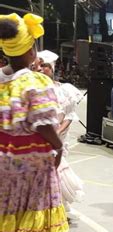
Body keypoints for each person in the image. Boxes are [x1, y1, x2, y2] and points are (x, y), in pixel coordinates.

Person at [0, 13, 82, 232]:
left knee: (10, 210)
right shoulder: (36, 83)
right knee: (37, 211)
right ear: (31, 50)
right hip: (35, 159)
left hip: (6, 159)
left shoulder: (1, 81)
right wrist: (58, 146)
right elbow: (45, 124)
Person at [41, 59, 84, 208]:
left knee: (57, 168)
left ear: (52, 68)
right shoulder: (34, 88)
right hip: (41, 138)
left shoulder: (64, 89)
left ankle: (57, 205)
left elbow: (69, 115)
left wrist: (58, 131)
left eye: (45, 66)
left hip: (58, 135)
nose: (41, 69)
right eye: (38, 66)